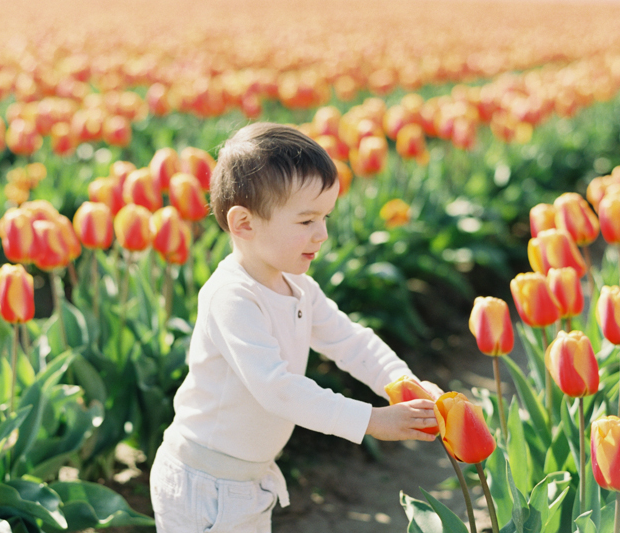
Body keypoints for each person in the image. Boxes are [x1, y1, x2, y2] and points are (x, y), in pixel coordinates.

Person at [149, 122, 443, 533]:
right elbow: (278, 389)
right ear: (244, 224)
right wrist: (371, 420)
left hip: (248, 481)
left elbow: (351, 341)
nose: (321, 234)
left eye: (325, 217)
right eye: (306, 221)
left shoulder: (299, 287)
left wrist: (403, 381)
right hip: (204, 486)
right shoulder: (232, 297)